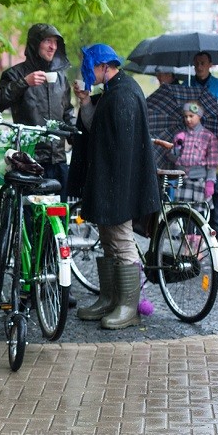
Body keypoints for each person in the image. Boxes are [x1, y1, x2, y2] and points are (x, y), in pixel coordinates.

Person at [70, 44, 161, 330]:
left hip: (118, 184)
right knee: (109, 241)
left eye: (90, 67)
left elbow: (122, 149)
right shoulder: (113, 92)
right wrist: (85, 102)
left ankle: (129, 307)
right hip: (108, 182)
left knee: (121, 241)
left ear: (104, 66)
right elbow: (96, 128)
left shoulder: (124, 94)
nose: (86, 72)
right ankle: (111, 299)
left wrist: (115, 191)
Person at [0, 23, 76, 306]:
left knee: (59, 225)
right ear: (35, 43)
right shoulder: (16, 73)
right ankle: (29, 285)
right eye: (47, 42)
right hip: (30, 162)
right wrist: (24, 83)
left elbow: (68, 112)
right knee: (29, 226)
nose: (52, 47)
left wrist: (74, 130)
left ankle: (58, 284)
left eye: (56, 42)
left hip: (57, 160)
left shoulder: (61, 78)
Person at [190, 51, 218, 240]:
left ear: (210, 65)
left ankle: (215, 226)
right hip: (194, 145)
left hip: (215, 143)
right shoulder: (188, 86)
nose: (199, 66)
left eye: (203, 63)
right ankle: (193, 226)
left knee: (214, 186)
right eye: (196, 63)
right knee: (193, 186)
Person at [161, 101, 218, 211]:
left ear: (200, 116)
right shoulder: (180, 135)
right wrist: (177, 146)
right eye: (185, 116)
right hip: (183, 180)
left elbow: (213, 161)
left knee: (199, 217)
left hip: (200, 181)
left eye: (191, 116)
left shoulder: (208, 136)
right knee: (183, 214)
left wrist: (210, 181)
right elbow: (170, 156)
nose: (188, 119)